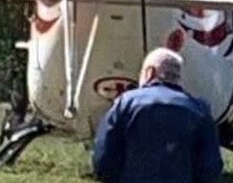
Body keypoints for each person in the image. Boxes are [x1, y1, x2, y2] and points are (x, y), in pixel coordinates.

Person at [92, 48, 223, 183]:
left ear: (150, 72)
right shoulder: (199, 111)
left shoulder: (125, 104)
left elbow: (103, 158)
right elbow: (210, 167)